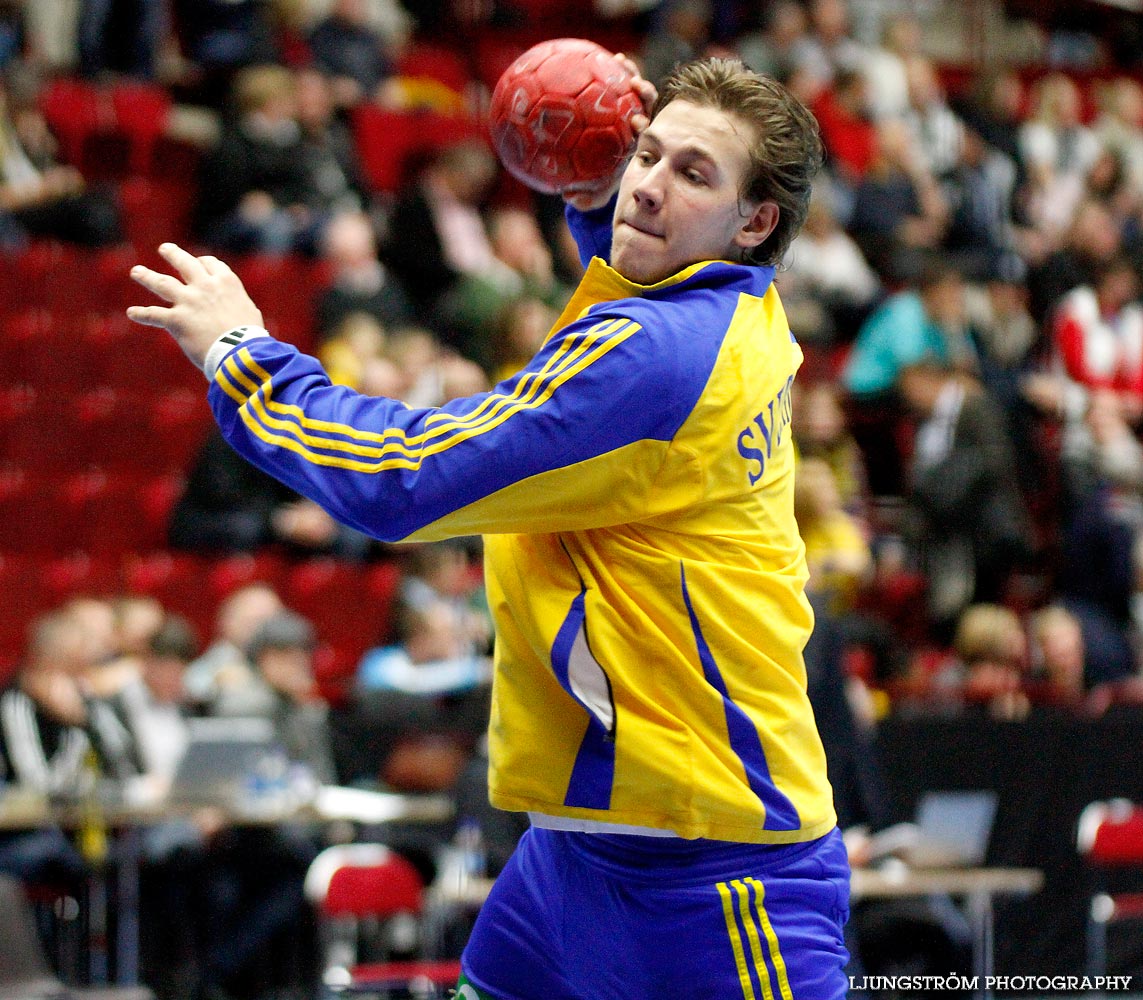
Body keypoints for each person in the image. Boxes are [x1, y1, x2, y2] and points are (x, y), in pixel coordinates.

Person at [127, 56, 850, 1000]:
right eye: (647, 153)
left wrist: (241, 353)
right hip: (574, 857)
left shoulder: (657, 356)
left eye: (692, 173)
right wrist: (597, 192)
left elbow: (401, 480)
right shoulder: (724, 309)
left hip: (714, 876)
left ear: (754, 223)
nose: (648, 185)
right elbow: (635, 264)